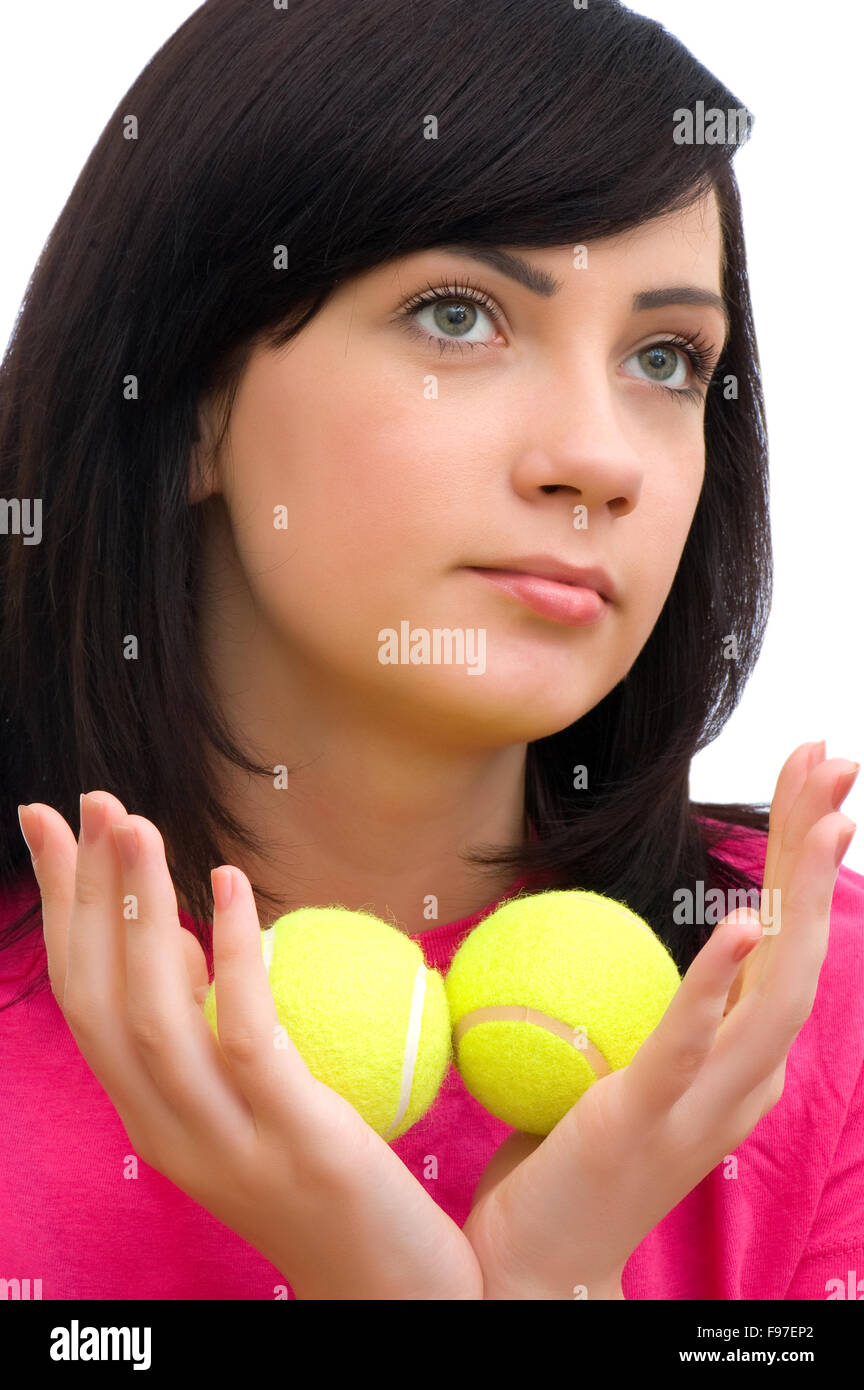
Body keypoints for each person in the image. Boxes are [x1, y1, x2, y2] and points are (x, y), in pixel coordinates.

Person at [1, 0, 861, 1300]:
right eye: (459, 317)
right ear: (188, 408)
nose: (600, 459)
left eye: (664, 357)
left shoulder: (812, 1006)